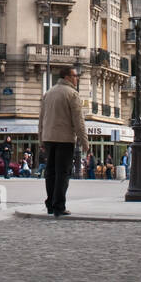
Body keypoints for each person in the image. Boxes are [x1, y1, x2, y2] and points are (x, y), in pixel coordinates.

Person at [38, 64, 87, 217]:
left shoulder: (48, 93)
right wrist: (84, 140)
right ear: (66, 77)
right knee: (63, 173)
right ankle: (59, 205)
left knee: (50, 172)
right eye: (74, 76)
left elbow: (41, 119)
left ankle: (50, 204)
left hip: (48, 138)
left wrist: (41, 138)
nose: (76, 78)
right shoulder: (72, 94)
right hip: (65, 139)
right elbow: (78, 120)